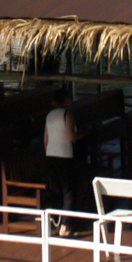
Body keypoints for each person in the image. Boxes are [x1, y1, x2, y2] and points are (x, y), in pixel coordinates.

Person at [44, 87, 78, 237]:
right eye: (69, 98)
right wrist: (81, 135)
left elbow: (46, 140)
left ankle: (56, 222)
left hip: (51, 155)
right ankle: (65, 225)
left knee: (56, 190)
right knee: (68, 192)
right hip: (65, 156)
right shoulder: (67, 114)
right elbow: (72, 137)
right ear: (64, 101)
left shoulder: (50, 115)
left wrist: (49, 152)